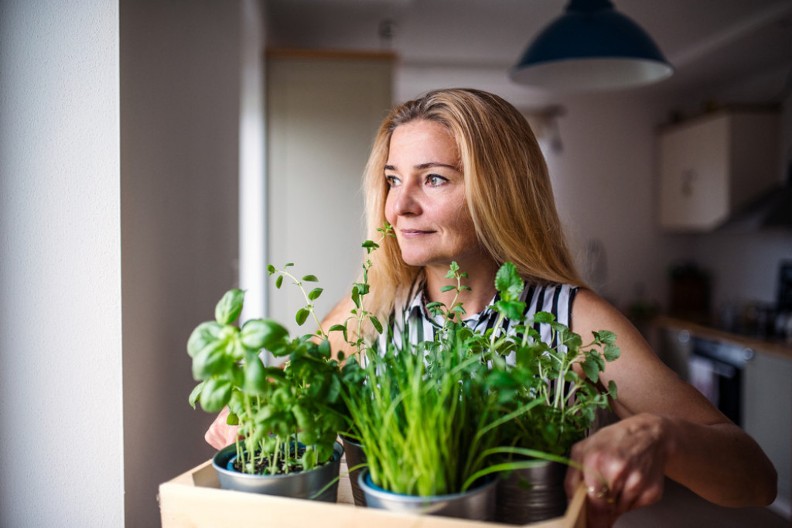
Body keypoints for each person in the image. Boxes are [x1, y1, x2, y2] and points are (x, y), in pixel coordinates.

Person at [205, 88, 777, 527]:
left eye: (433, 179)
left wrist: (661, 437)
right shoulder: (371, 311)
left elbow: (756, 479)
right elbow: (283, 394)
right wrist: (256, 408)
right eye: (390, 180)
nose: (398, 206)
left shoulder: (573, 318)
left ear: (498, 192)